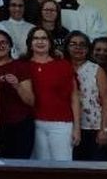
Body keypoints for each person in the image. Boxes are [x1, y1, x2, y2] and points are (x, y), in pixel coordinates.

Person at [25, 26, 79, 161]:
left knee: (62, 165)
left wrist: (76, 127)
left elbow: (74, 97)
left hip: (61, 124)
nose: (40, 42)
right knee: (40, 167)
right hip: (35, 124)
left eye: (44, 38)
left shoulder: (63, 65)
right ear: (30, 43)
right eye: (36, 38)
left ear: (50, 43)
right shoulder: (23, 66)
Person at [0, 29, 35, 159]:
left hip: (20, 125)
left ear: (10, 45)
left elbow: (31, 101)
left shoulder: (20, 66)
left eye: (3, 42)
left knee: (19, 168)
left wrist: (17, 85)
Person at [67, 30, 107, 161]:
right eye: (73, 44)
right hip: (67, 127)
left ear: (88, 48)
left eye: (82, 45)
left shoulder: (96, 69)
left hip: (93, 128)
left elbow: (106, 101)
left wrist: (104, 130)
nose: (78, 48)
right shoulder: (61, 67)